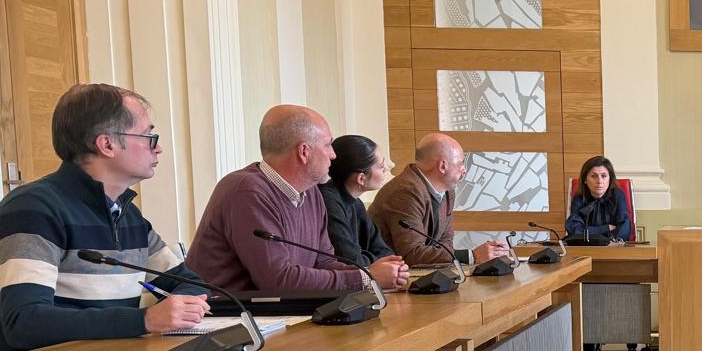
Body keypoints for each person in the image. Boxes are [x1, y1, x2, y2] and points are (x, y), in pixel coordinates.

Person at [0, 82, 211, 351]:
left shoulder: (126, 214)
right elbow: (24, 323)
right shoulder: (32, 211)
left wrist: (181, 308)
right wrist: (144, 320)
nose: (158, 148)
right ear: (107, 144)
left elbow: (191, 285)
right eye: (148, 137)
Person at [188, 105, 408, 293]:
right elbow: (277, 280)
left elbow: (324, 262)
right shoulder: (247, 192)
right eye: (328, 145)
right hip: (227, 318)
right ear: (304, 151)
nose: (333, 155)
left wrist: (370, 274)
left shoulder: (311, 193)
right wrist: (366, 278)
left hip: (277, 313)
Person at [370, 133, 510, 268]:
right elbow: (411, 254)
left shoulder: (447, 190)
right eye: (461, 163)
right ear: (443, 166)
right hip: (388, 277)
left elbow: (445, 241)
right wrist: (471, 256)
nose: (464, 170)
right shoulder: (405, 192)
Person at [321, 135, 402, 270]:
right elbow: (350, 260)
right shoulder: (328, 202)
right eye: (381, 166)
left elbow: (386, 252)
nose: (387, 168)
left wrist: (378, 261)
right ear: (361, 178)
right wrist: (378, 262)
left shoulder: (356, 202)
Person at [566, 156, 634, 244]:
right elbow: (574, 230)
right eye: (594, 176)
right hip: (586, 248)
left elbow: (624, 229)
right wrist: (606, 228)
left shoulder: (617, 195)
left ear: (610, 179)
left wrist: (592, 234)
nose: (599, 181)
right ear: (585, 180)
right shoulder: (579, 197)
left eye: (604, 176)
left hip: (612, 248)